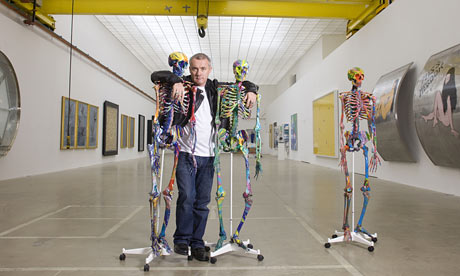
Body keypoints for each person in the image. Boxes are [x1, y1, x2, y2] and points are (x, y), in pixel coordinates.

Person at [151, 53, 258, 261]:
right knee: (187, 197)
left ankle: (197, 242)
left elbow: (244, 84)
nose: (198, 73)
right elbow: (155, 75)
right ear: (189, 70)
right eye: (194, 68)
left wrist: (252, 90)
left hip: (209, 156)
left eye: (202, 69)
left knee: (202, 202)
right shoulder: (181, 85)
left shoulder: (215, 89)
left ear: (209, 69)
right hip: (185, 154)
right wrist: (175, 80)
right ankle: (182, 239)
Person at [422, 67, 458, 137]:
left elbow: (450, 111)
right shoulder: (446, 92)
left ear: (450, 79)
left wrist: (452, 128)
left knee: (438, 93)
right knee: (437, 109)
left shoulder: (449, 96)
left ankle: (433, 118)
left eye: (447, 78)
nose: (445, 79)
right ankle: (430, 117)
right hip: (443, 116)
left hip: (446, 121)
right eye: (446, 77)